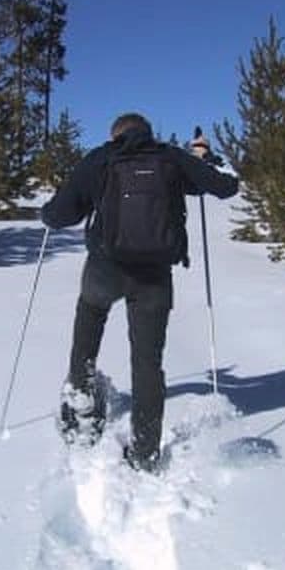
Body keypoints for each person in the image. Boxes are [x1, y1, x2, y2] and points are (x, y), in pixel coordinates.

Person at [41, 113, 238, 472]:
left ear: (115, 135)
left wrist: (48, 214)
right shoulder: (170, 158)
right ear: (148, 132)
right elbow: (225, 187)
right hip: (155, 275)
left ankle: (82, 414)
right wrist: (202, 161)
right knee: (148, 363)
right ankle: (145, 452)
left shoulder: (100, 158)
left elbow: (63, 213)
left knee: (88, 325)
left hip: (105, 268)